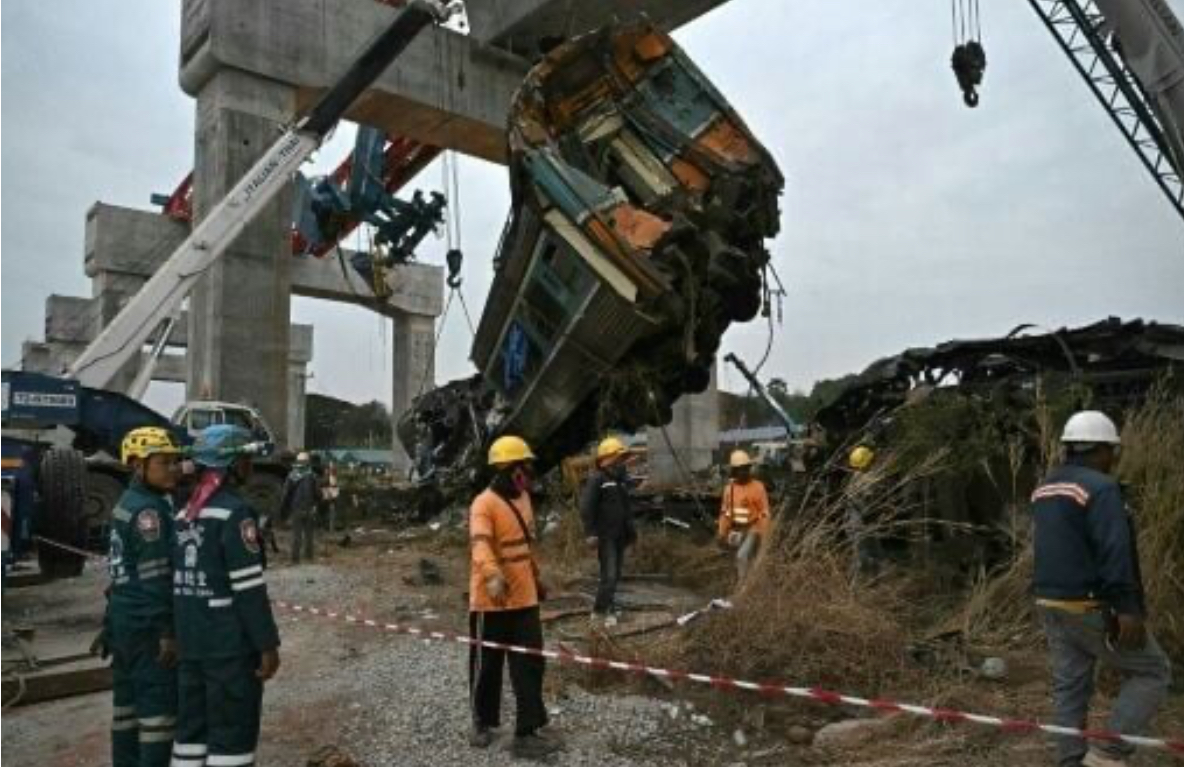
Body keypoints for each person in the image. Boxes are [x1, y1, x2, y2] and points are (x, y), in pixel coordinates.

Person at [1032, 410, 1171, 767]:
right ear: (1104, 449)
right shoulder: (1102, 487)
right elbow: (1114, 550)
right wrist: (1127, 608)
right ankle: (1109, 752)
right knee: (1152, 671)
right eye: (1113, 451)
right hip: (1089, 604)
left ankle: (1070, 760)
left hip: (1049, 601)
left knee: (1070, 684)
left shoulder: (1045, 487)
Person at [172, 425, 281, 767]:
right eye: (246, 458)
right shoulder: (235, 514)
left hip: (191, 643)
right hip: (228, 648)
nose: (251, 466)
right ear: (232, 465)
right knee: (232, 734)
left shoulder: (184, 514)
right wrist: (266, 644)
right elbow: (248, 589)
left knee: (191, 732)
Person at [468, 435, 562, 759]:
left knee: (530, 660)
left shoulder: (523, 498)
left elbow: (524, 547)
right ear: (510, 469)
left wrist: (536, 579)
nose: (529, 471)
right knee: (487, 664)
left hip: (524, 595)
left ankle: (527, 730)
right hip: (491, 598)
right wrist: (493, 575)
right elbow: (480, 544)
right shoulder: (483, 503)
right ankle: (482, 721)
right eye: (525, 465)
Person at [106, 426, 183, 767]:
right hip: (146, 626)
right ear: (138, 465)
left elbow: (119, 571)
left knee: (126, 711)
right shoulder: (149, 514)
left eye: (175, 462)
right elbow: (155, 579)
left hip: (123, 622)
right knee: (157, 714)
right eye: (164, 463)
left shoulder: (127, 502)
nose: (174, 469)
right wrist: (166, 631)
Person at [579, 436, 637, 627]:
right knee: (609, 576)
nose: (622, 462)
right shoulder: (598, 479)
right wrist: (590, 533)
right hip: (606, 537)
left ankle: (607, 607)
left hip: (619, 535)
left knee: (615, 575)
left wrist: (631, 533)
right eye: (619, 458)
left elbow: (626, 509)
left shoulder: (619, 481)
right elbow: (587, 507)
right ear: (609, 458)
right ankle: (600, 611)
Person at [717, 450, 771, 583]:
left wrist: (764, 535)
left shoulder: (758, 487)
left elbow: (764, 512)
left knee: (741, 556)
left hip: (753, 528)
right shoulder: (729, 489)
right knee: (735, 559)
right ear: (734, 471)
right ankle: (741, 581)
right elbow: (725, 512)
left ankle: (742, 589)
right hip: (736, 530)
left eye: (746, 469)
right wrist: (722, 532)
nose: (744, 472)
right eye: (741, 470)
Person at [845, 445, 884, 580]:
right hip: (861, 523)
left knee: (871, 556)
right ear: (866, 463)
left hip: (859, 523)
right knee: (863, 558)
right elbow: (867, 504)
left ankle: (872, 585)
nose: (873, 462)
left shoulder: (856, 477)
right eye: (871, 460)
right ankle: (856, 589)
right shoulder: (866, 478)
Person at [278, 451, 320, 564]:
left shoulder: (291, 475)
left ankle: (295, 559)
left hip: (296, 508)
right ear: (308, 462)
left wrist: (282, 511)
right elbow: (318, 493)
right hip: (309, 508)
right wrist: (316, 503)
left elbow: (286, 494)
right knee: (309, 535)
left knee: (296, 535)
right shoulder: (312, 475)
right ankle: (309, 557)